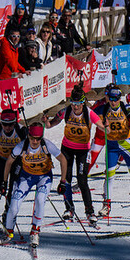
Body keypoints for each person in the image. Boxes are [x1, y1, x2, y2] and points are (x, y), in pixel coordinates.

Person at [42, 85, 107, 223]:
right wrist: (46, 121)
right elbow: (50, 125)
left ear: (83, 102)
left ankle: (89, 211)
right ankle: (69, 209)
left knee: (82, 181)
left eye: (78, 104)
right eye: (73, 103)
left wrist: (106, 125)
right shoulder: (66, 111)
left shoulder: (89, 113)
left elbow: (102, 126)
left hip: (83, 150)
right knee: (66, 180)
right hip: (67, 148)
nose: (75, 107)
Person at [0, 123, 68, 250]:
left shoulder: (47, 145)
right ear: (28, 136)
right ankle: (8, 233)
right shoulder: (22, 145)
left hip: (44, 177)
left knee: (40, 200)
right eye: (32, 138)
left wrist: (62, 181)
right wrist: (4, 182)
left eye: (38, 138)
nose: (35, 141)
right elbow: (9, 162)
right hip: (26, 177)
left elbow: (63, 160)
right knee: (14, 204)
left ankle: (35, 232)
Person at [95, 86, 130, 216]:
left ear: (120, 98)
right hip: (112, 146)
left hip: (125, 143)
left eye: (116, 99)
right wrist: (102, 126)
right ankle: (107, 205)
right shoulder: (103, 109)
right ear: (108, 98)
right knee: (109, 175)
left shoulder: (126, 108)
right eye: (111, 99)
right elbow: (92, 118)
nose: (114, 102)